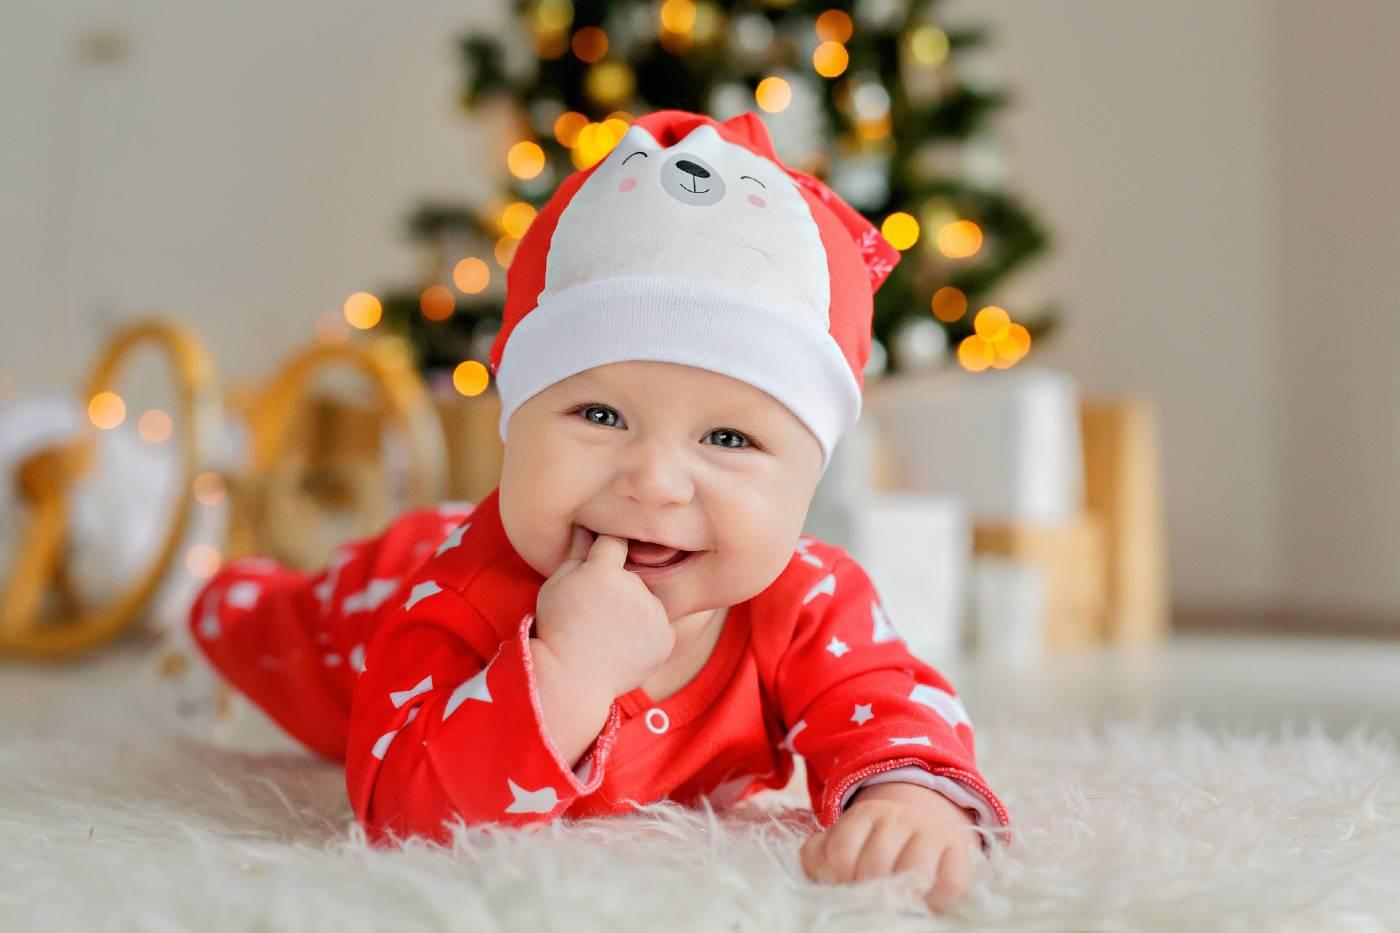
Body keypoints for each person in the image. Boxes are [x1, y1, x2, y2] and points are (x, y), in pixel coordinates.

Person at [190, 108, 1011, 915]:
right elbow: (402, 815)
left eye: (727, 436)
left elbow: (887, 697)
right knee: (269, 630)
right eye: (600, 415)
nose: (654, 481)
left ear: (807, 481)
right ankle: (213, 602)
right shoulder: (458, 597)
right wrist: (564, 672)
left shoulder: (807, 600)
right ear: (517, 424)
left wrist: (910, 798)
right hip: (373, 597)